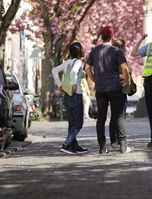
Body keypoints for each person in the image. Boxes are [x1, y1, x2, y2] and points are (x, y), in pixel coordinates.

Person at [85, 26, 133, 154]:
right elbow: (125, 68)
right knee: (119, 116)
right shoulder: (116, 51)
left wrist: (95, 80)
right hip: (115, 87)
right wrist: (126, 81)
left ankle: (102, 147)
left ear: (101, 37)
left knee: (101, 118)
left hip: (100, 89)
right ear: (112, 37)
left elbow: (87, 68)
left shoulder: (94, 51)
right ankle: (123, 146)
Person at [52, 42, 88, 155]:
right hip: (75, 95)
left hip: (67, 95)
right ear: (79, 52)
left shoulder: (67, 62)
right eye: (82, 49)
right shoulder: (78, 62)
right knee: (78, 123)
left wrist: (59, 85)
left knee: (72, 122)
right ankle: (66, 145)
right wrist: (73, 84)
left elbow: (54, 71)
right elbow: (73, 72)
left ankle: (74, 145)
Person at [109, 38, 129, 149]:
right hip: (119, 89)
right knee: (119, 116)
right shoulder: (118, 57)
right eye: (124, 47)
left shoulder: (109, 57)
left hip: (112, 89)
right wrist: (126, 79)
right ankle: (118, 141)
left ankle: (114, 140)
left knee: (115, 116)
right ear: (120, 48)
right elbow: (124, 70)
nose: (125, 49)